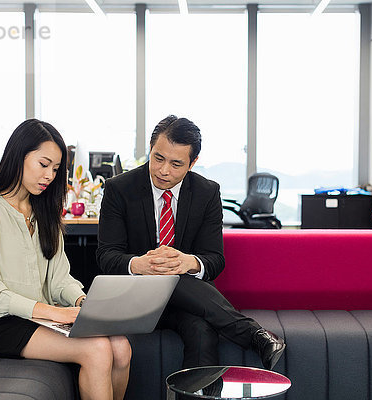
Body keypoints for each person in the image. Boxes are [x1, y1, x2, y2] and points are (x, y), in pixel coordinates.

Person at [0, 119, 131, 400]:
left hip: (40, 318)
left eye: (55, 169)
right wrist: (58, 313)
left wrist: (83, 303)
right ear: (19, 155)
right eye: (44, 164)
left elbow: (60, 279)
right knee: (97, 349)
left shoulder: (45, 213)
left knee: (121, 345)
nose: (50, 175)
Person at [96, 115, 285, 370]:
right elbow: (106, 256)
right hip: (135, 297)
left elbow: (215, 260)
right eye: (158, 158)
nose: (164, 170)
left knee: (201, 329)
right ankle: (253, 334)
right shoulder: (119, 189)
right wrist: (141, 265)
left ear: (192, 163)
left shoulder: (207, 192)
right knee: (167, 272)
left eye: (176, 164)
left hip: (186, 301)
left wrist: (188, 262)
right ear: (150, 150)